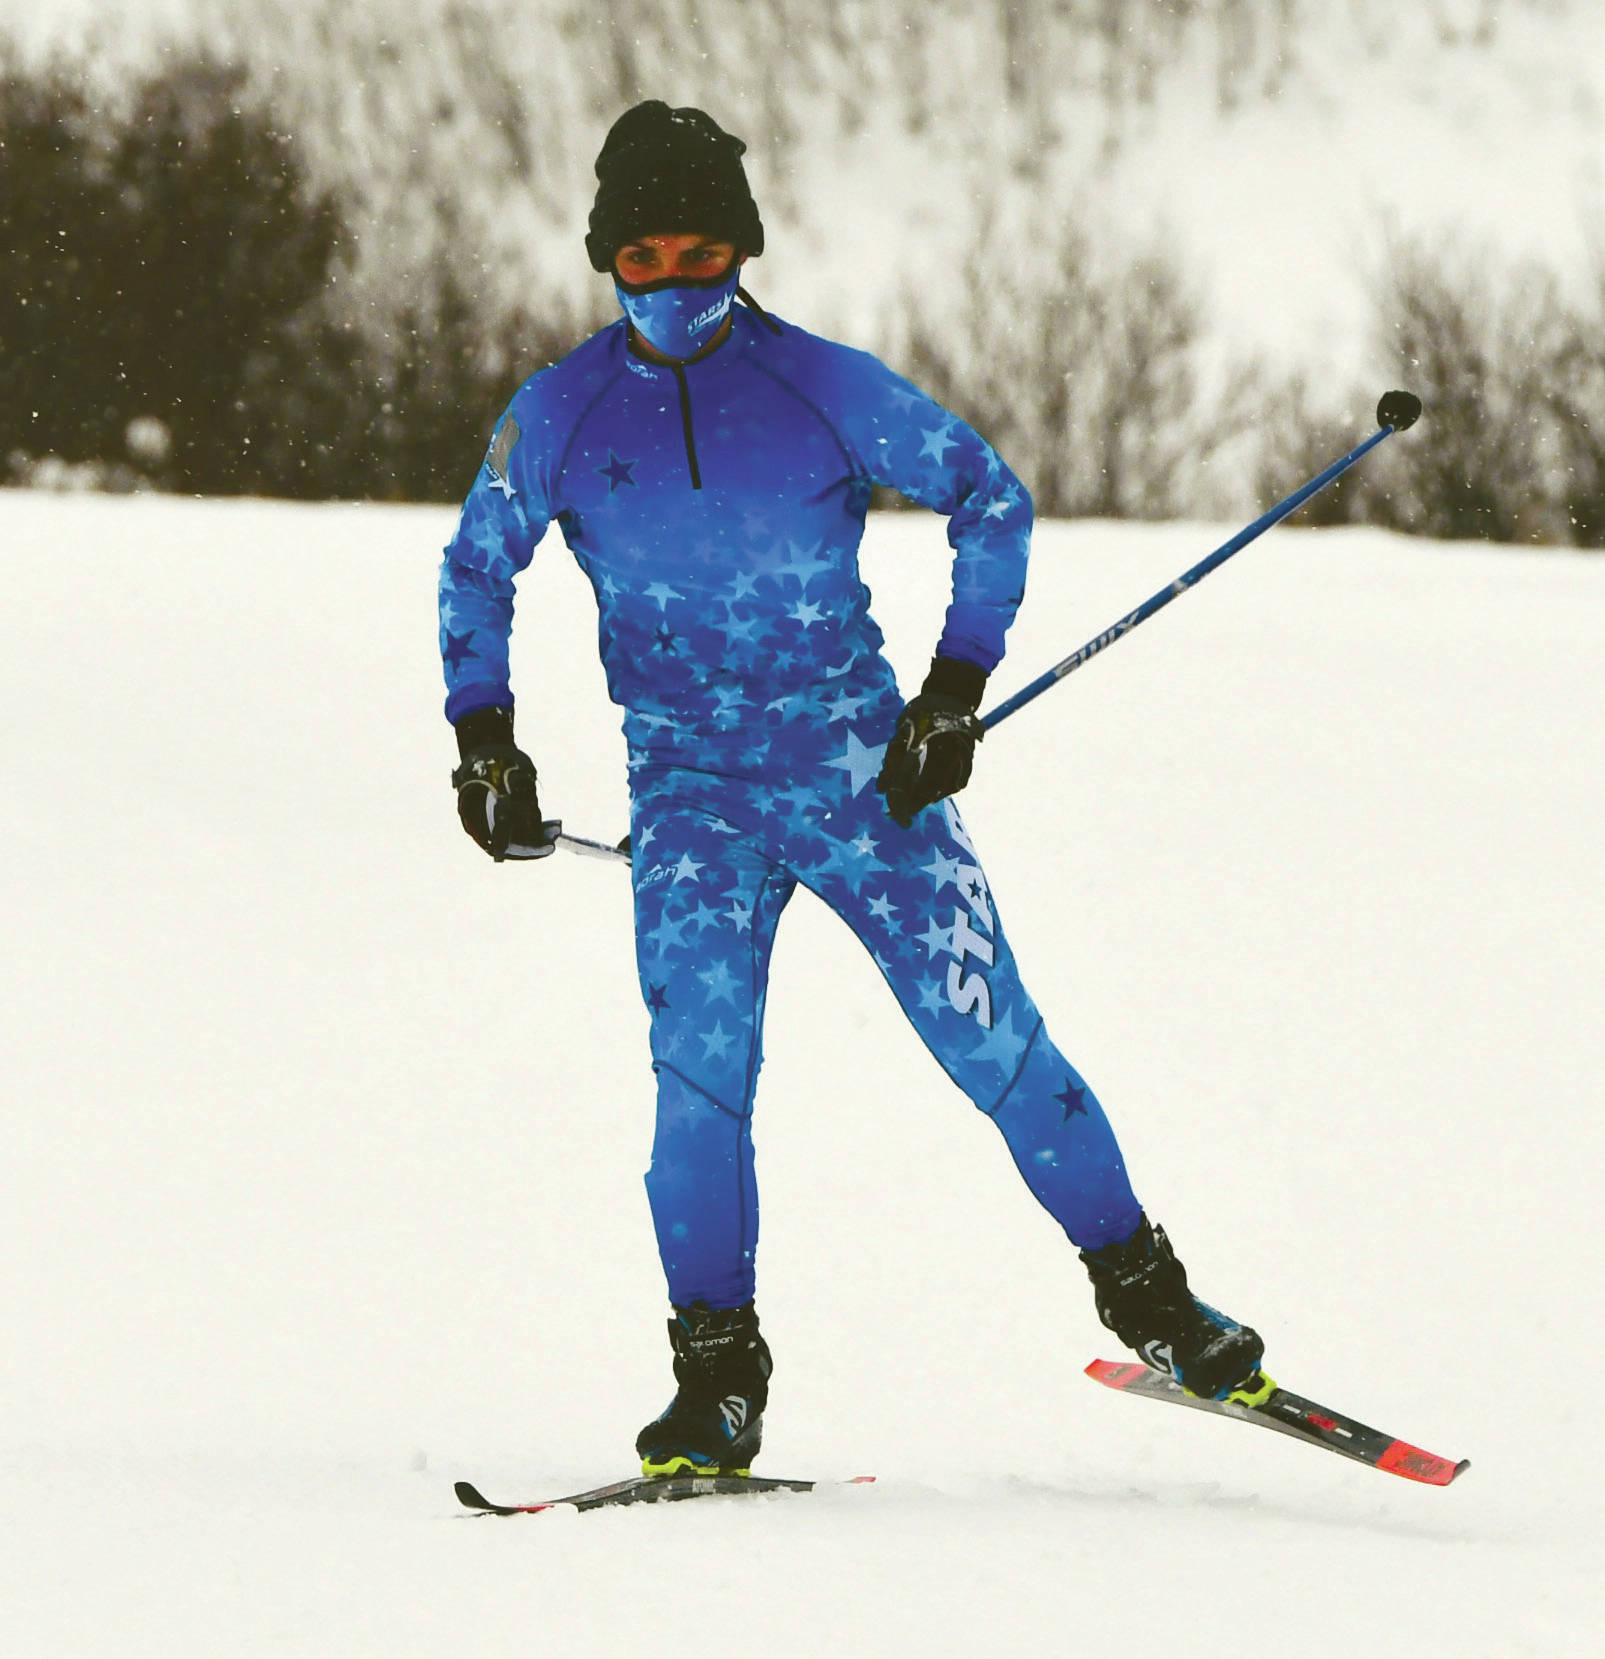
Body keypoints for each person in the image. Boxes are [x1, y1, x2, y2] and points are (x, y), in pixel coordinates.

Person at [438, 100, 1266, 1478]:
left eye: (704, 250)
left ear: (743, 248)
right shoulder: (561, 414)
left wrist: (952, 691)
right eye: (644, 256)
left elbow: (987, 495)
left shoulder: (821, 385)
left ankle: (1154, 1306)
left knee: (989, 1040)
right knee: (698, 1085)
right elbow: (477, 567)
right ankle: (716, 1384)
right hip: (692, 798)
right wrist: (485, 738)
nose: (677, 283)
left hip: (860, 778)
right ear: (608, 258)